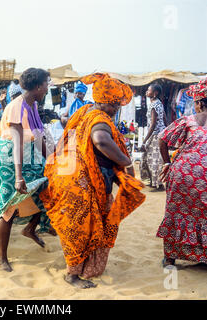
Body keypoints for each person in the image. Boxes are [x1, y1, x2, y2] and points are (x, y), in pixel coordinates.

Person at [40, 73, 146, 289]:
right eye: (114, 105)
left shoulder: (86, 111)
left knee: (85, 227)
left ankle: (82, 268)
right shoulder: (99, 119)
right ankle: (73, 275)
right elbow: (100, 140)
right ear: (104, 101)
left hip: (71, 177)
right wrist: (126, 161)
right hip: (80, 183)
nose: (116, 110)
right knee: (81, 229)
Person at [0, 68, 53, 272]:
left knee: (44, 190)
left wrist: (52, 159)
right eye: (46, 83)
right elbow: (16, 143)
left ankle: (30, 229)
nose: (47, 87)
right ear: (37, 86)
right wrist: (18, 178)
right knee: (10, 207)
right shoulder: (17, 107)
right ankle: (2, 259)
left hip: (27, 155)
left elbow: (37, 136)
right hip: (9, 159)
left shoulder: (32, 104)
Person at [157, 78, 207, 267]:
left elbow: (163, 139)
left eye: (195, 102)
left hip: (182, 176)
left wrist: (167, 163)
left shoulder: (188, 121)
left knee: (176, 214)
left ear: (200, 102)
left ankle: (170, 259)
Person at [140, 83, 167, 191]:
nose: (147, 91)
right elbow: (164, 118)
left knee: (154, 160)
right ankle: (153, 182)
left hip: (155, 135)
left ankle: (159, 185)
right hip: (160, 134)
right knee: (151, 159)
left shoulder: (154, 105)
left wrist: (145, 140)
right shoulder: (159, 103)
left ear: (155, 93)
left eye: (149, 90)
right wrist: (167, 131)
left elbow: (153, 124)